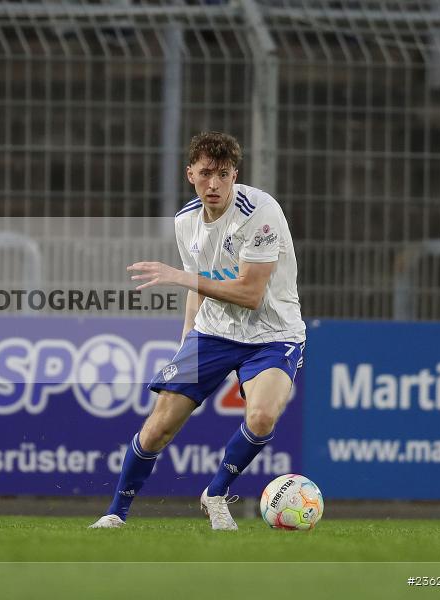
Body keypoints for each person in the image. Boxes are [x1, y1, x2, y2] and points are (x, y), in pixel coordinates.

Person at [90, 131, 305, 531]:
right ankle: (115, 513)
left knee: (262, 417)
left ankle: (216, 493)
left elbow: (250, 294)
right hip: (213, 332)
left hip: (273, 333)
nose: (214, 184)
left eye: (223, 174)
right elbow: (200, 284)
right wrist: (186, 338)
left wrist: (181, 277)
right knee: (158, 428)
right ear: (190, 173)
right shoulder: (186, 221)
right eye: (206, 173)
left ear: (235, 175)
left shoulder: (260, 213)